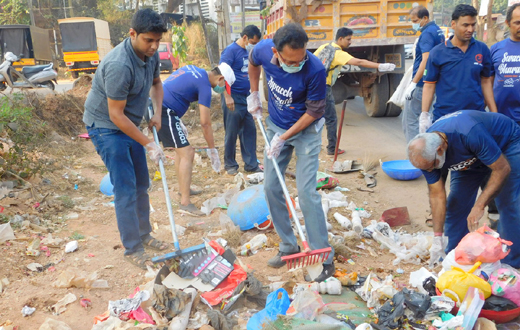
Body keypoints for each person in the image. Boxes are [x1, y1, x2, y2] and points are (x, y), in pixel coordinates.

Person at [248, 23, 334, 282]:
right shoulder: (263, 50)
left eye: (300, 59)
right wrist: (254, 93)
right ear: (275, 51)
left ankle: (322, 256)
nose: (296, 64)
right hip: (276, 124)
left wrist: (284, 138)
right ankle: (288, 246)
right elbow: (253, 63)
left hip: (306, 131)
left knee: (307, 193)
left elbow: (314, 111)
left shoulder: (315, 69)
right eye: (289, 61)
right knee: (271, 187)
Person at [83, 9, 168, 269]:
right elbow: (116, 116)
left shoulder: (150, 55)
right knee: (126, 188)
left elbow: (156, 84)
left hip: (130, 122)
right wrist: (148, 142)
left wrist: (158, 113)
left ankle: (144, 234)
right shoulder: (119, 65)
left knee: (142, 183)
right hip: (107, 127)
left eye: (157, 41)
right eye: (148, 40)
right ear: (132, 34)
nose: (153, 46)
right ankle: (133, 249)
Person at [407, 110, 520, 269]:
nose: (431, 171)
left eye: (432, 167)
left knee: (507, 203)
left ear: (440, 149)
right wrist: (438, 238)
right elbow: (437, 195)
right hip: (471, 158)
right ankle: (455, 258)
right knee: (456, 204)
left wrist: (479, 205)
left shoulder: (468, 132)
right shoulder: (426, 155)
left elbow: (502, 168)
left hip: (506, 143)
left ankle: (510, 263)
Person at [158, 64, 235, 216]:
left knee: (181, 151)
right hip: (164, 111)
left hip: (161, 106)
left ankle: (183, 190)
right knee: (187, 153)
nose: (221, 90)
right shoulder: (205, 86)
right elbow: (205, 123)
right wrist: (212, 149)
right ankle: (185, 203)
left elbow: (174, 87)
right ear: (220, 79)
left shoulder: (195, 70)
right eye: (223, 86)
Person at [314, 27, 395, 155]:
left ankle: (310, 145)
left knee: (312, 116)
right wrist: (380, 66)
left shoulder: (324, 46)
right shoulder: (338, 53)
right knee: (331, 119)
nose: (350, 42)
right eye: (348, 39)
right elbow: (359, 61)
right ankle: (332, 148)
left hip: (312, 86)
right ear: (340, 39)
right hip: (324, 87)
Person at [420, 4, 498, 133]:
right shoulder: (437, 52)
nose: (470, 29)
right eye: (465, 25)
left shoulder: (482, 49)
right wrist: (424, 115)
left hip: (475, 119)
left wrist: (494, 113)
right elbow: (429, 85)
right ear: (453, 24)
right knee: (447, 153)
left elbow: (486, 81)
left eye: (473, 25)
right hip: (445, 119)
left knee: (478, 152)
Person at [220, 25, 262, 175]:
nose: (253, 46)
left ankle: (251, 165)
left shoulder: (248, 52)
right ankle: (230, 164)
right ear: (245, 38)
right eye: (252, 42)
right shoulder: (230, 51)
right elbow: (220, 74)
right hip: (233, 97)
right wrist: (227, 96)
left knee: (250, 130)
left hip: (246, 97)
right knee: (231, 132)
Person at [402, 6, 444, 142]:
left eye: (415, 20)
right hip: (435, 81)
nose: (413, 24)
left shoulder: (426, 34)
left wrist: (414, 83)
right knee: (428, 120)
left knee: (410, 120)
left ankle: (415, 155)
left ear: (425, 18)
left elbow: (426, 60)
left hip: (422, 84)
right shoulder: (437, 30)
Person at [491, 3, 520, 124]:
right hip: (501, 119)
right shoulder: (496, 49)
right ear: (508, 23)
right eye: (517, 23)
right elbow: (487, 82)